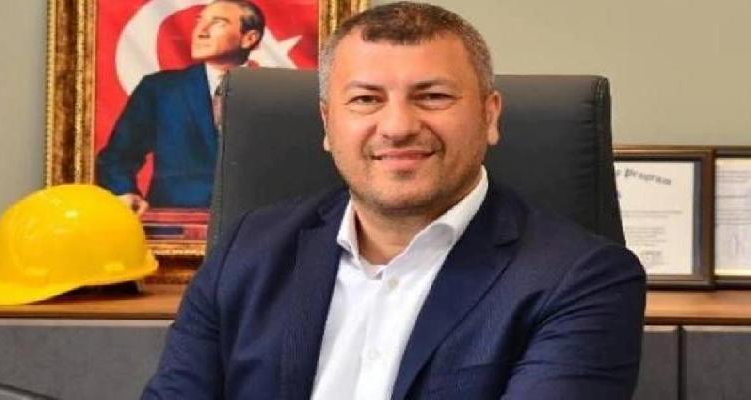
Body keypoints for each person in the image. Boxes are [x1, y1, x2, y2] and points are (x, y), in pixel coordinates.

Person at [143, 2, 646, 399]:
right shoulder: (247, 252)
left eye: (433, 96)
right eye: (366, 99)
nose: (399, 126)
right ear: (327, 124)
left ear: (490, 116)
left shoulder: (581, 279)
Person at [96, 0, 265, 213]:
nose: (201, 31)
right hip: (173, 222)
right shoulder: (160, 89)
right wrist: (125, 192)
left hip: (256, 224)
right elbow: (116, 158)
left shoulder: (274, 94)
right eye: (199, 22)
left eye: (217, 23)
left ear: (249, 38)